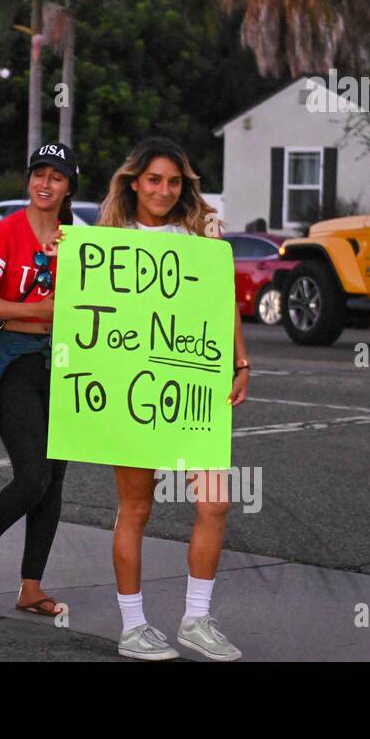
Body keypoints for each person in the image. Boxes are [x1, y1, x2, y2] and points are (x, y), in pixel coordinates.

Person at [98, 137, 250, 662]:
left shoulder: (201, 232)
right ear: (135, 181)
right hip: (130, 390)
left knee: (215, 501)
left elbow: (221, 300)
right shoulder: (109, 238)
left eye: (174, 181)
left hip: (193, 386)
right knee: (136, 508)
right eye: (154, 179)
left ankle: (196, 620)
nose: (164, 190)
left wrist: (241, 361)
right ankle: (134, 626)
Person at [0, 144, 78, 618]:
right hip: (13, 366)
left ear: (70, 186)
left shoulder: (78, 241)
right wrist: (37, 311)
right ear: (28, 180)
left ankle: (32, 586)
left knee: (55, 482)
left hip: (65, 366)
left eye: (57, 177)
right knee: (33, 476)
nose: (46, 184)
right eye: (38, 175)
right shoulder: (6, 232)